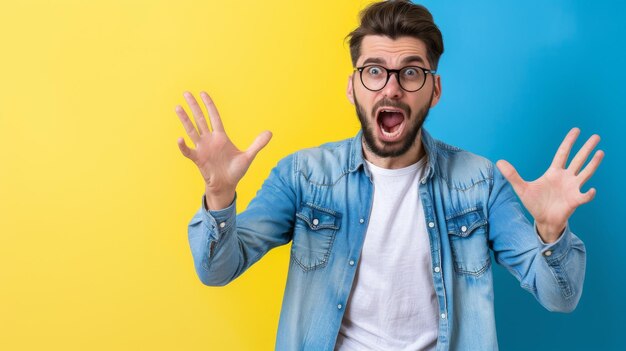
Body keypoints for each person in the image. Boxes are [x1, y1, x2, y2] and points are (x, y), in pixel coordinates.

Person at [174, 1, 604, 350]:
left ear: (434, 90)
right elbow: (217, 270)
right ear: (353, 87)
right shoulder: (304, 176)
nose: (391, 88)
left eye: (411, 72)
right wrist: (219, 197)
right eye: (374, 71)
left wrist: (550, 230)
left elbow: (559, 297)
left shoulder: (479, 182)